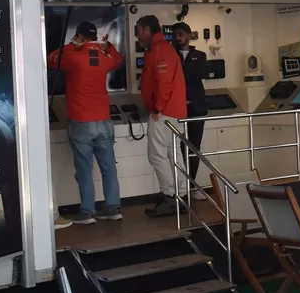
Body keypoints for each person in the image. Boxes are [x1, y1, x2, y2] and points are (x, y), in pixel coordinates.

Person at [46, 21, 124, 226]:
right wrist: (108, 47)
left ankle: (87, 212)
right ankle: (113, 208)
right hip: (104, 121)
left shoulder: (72, 56)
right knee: (109, 168)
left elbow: (51, 60)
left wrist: (71, 45)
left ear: (79, 36)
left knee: (84, 170)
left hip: (81, 121)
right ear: (95, 37)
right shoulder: (105, 57)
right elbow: (118, 59)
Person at [136, 15, 188, 217]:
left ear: (147, 29)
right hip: (174, 111)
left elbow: (164, 83)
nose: (138, 36)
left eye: (139, 31)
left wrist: (157, 108)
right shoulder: (161, 49)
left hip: (164, 113)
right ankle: (181, 195)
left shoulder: (160, 50)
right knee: (174, 154)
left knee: (157, 155)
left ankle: (169, 196)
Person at [172, 22, 208, 199]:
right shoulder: (171, 55)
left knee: (194, 147)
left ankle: (191, 184)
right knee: (179, 147)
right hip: (178, 107)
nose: (177, 38)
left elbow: (199, 74)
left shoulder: (200, 55)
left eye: (180, 34)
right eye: (175, 35)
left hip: (196, 107)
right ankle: (180, 186)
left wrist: (183, 67)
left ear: (188, 35)